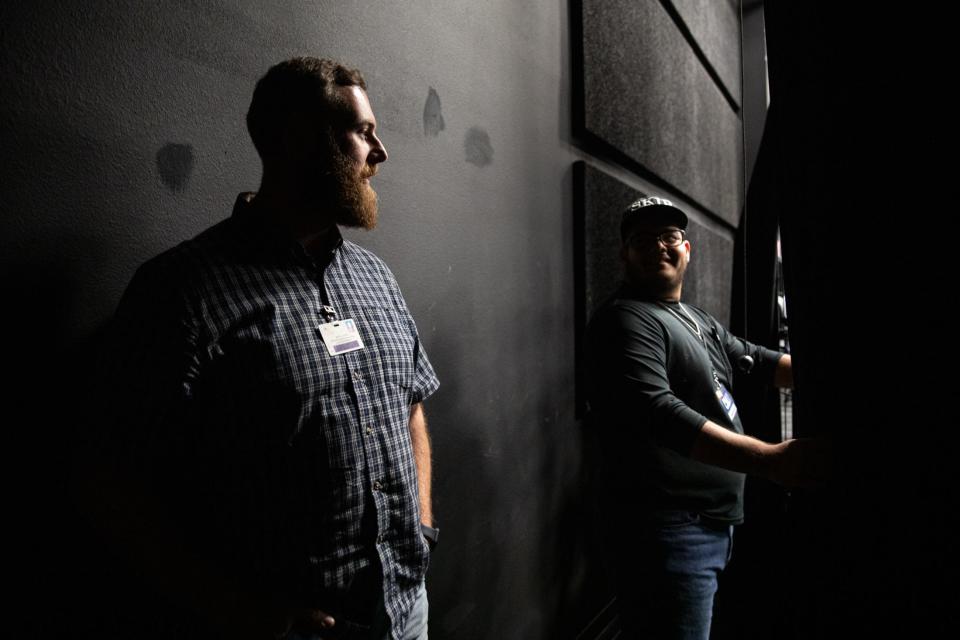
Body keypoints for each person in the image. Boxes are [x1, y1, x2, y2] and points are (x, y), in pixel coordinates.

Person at [91, 57, 438, 640]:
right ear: (300, 140)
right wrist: (237, 611)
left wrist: (422, 523)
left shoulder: (376, 278)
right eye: (362, 132)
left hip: (406, 609)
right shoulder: (182, 291)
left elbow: (411, 405)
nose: (380, 153)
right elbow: (111, 483)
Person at [585, 196, 825, 640]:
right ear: (624, 253)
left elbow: (761, 360)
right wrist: (771, 459)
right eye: (643, 239)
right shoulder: (626, 320)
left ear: (686, 249)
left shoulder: (694, 319)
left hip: (709, 526)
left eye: (669, 236)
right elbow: (660, 413)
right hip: (670, 532)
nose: (659, 245)